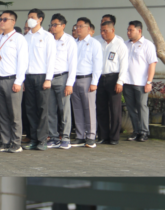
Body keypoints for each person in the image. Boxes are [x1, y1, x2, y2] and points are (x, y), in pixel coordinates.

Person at [0, 11, 28, 154]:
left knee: (14, 114)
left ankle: (16, 142)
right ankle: (5, 141)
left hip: (12, 79)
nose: (2, 21)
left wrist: (19, 81)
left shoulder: (19, 38)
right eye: (0, 19)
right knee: (2, 113)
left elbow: (23, 61)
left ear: (13, 22)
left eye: (5, 19)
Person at [23, 9, 55, 151]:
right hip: (28, 77)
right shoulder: (26, 37)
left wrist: (48, 78)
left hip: (42, 76)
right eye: (29, 17)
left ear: (40, 19)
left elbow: (51, 59)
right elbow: (23, 60)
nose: (30, 20)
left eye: (32, 17)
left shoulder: (47, 36)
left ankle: (42, 139)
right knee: (30, 109)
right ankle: (34, 139)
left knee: (42, 109)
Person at [124, 20, 157, 143]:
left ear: (139, 31)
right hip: (127, 82)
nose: (128, 32)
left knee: (142, 107)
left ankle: (144, 132)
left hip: (141, 83)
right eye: (128, 30)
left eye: (131, 30)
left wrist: (149, 82)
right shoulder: (125, 44)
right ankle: (136, 131)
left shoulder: (147, 45)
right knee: (131, 108)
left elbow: (152, 64)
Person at [47, 13, 76, 149]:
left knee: (64, 109)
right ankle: (53, 137)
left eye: (55, 25)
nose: (52, 27)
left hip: (62, 77)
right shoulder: (48, 39)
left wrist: (70, 83)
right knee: (50, 109)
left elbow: (73, 64)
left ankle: (65, 137)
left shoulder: (69, 41)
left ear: (63, 26)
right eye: (51, 25)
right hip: (48, 78)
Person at [72, 17, 102, 147]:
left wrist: (94, 81)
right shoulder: (73, 43)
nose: (78, 29)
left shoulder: (94, 43)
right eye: (76, 27)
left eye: (80, 26)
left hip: (87, 78)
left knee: (89, 108)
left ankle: (90, 135)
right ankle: (80, 135)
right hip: (74, 79)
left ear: (88, 28)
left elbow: (97, 64)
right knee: (77, 108)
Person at [96, 20, 127, 145]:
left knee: (115, 109)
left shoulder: (119, 44)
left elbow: (124, 65)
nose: (103, 33)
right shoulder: (99, 43)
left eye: (105, 31)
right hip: (100, 78)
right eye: (101, 31)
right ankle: (103, 136)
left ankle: (114, 137)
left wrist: (120, 82)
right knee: (101, 108)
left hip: (113, 78)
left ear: (112, 30)